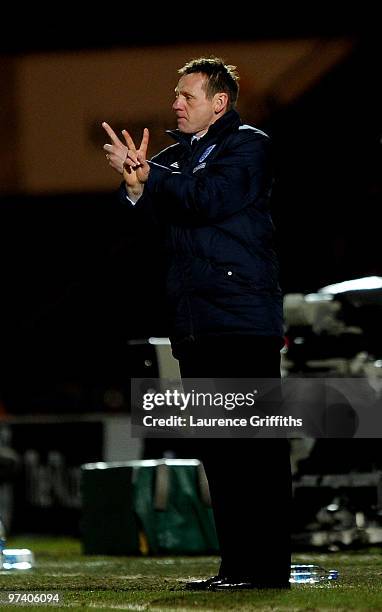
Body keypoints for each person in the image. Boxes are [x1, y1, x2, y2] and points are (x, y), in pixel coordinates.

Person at [102, 56, 291, 591]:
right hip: (196, 322)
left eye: (187, 96)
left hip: (242, 321)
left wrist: (152, 176)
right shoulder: (175, 159)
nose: (176, 104)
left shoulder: (248, 144)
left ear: (220, 102)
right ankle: (237, 568)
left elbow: (208, 199)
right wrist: (137, 187)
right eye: (176, 95)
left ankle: (268, 569)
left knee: (255, 452)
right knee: (220, 451)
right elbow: (141, 220)